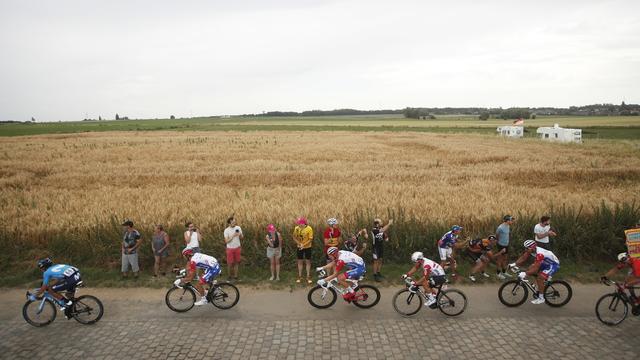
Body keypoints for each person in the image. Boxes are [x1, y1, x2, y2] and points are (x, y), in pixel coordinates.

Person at [509, 240, 560, 304]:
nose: (525, 250)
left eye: (527, 248)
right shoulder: (531, 250)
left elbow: (536, 268)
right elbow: (523, 258)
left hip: (553, 264)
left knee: (540, 277)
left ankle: (541, 298)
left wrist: (525, 273)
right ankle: (537, 284)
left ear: (532, 247)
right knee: (530, 268)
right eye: (525, 248)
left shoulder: (540, 254)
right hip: (545, 262)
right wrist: (514, 264)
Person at [293, 217, 314, 284]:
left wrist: (303, 245)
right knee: (300, 261)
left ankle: (308, 276)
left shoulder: (309, 228)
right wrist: (299, 244)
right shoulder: (296, 228)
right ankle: (299, 276)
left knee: (308, 261)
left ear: (303, 223)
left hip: (308, 247)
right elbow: (294, 237)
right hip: (299, 247)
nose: (299, 225)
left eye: (300, 223)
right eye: (298, 223)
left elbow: (310, 239)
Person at [495, 215, 515, 280]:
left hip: (506, 245)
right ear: (507, 221)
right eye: (511, 220)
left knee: (505, 258)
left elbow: (508, 234)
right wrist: (499, 243)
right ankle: (498, 273)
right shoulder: (500, 228)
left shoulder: (508, 226)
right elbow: (497, 236)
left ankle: (504, 271)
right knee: (499, 259)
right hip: (501, 245)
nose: (512, 221)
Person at [223, 216, 243, 281]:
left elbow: (242, 237)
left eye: (235, 222)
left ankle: (236, 276)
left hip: (237, 247)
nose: (234, 223)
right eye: (233, 222)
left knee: (237, 262)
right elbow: (226, 241)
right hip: (230, 249)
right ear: (229, 223)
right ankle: (229, 276)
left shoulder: (238, 227)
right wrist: (233, 235)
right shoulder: (226, 230)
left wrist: (240, 234)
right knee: (230, 263)